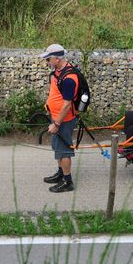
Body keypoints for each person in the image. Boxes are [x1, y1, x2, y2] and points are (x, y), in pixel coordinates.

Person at [40, 44, 79, 193]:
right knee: (57, 148)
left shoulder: (69, 78)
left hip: (63, 120)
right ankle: (61, 173)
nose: (47, 61)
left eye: (48, 59)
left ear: (57, 58)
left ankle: (67, 182)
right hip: (56, 117)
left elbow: (67, 105)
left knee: (64, 150)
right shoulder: (58, 72)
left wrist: (56, 123)